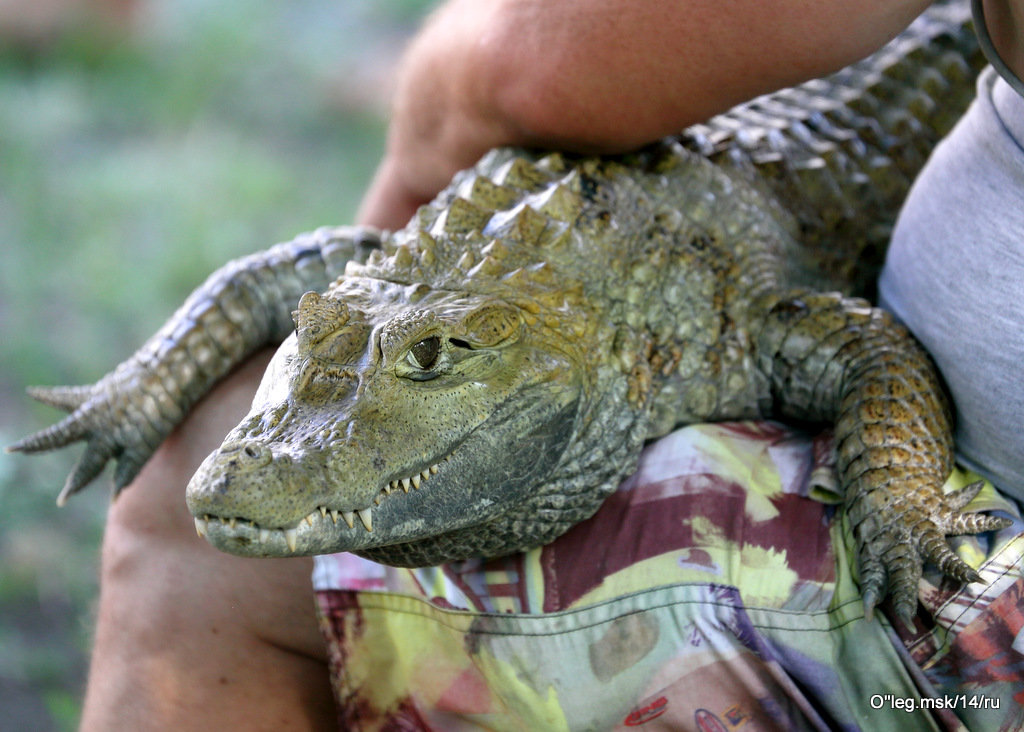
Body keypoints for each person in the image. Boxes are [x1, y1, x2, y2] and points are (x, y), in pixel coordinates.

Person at [77, 0, 1023, 729]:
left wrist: (897, 494)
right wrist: (151, 381)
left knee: (183, 532)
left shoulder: (704, 309)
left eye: (431, 358)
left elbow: (525, 73)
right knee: (220, 449)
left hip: (984, 574)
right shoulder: (501, 285)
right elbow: (279, 280)